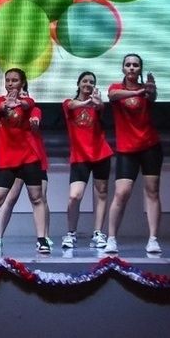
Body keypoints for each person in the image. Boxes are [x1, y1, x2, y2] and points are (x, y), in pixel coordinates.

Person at [0, 68, 49, 254]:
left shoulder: (30, 105)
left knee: (36, 198)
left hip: (29, 158)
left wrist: (30, 116)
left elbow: (31, 107)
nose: (10, 83)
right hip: (7, 160)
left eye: (14, 80)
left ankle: (41, 240)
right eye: (8, 80)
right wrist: (8, 104)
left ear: (22, 83)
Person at [104, 54, 162, 254]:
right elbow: (113, 96)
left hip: (150, 145)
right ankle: (111, 238)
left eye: (135, 65)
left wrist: (150, 90)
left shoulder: (146, 90)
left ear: (140, 69)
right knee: (122, 192)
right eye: (128, 65)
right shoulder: (116, 88)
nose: (131, 68)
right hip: (126, 149)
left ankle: (153, 239)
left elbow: (152, 97)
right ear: (123, 68)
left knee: (152, 191)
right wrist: (138, 91)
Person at [61, 72, 113, 249]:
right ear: (78, 84)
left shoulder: (98, 105)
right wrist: (86, 103)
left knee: (102, 193)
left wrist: (97, 104)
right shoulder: (69, 103)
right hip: (80, 157)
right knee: (74, 196)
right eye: (85, 81)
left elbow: (100, 108)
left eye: (91, 82)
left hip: (101, 154)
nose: (88, 84)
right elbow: (72, 105)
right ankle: (71, 233)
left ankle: (98, 233)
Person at [0, 105, 51, 249]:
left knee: (41, 198)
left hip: (35, 160)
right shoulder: (12, 113)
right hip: (17, 161)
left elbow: (36, 119)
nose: (21, 96)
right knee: (10, 198)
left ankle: (44, 237)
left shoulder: (34, 110)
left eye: (25, 94)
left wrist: (34, 122)